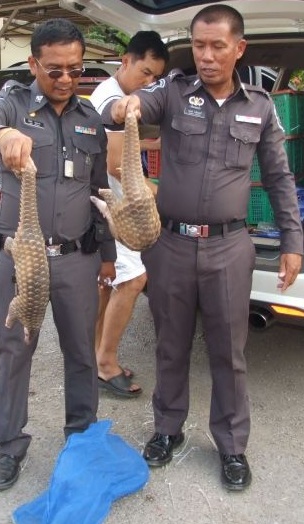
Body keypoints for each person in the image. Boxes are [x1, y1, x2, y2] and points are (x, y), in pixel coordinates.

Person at [103, 5, 304, 491]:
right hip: (170, 245)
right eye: (198, 46)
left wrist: (293, 240)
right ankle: (167, 430)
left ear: (239, 49)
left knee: (228, 351)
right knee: (170, 344)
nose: (207, 56)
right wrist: (122, 107)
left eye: (217, 46)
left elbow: (278, 177)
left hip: (230, 248)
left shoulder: (259, 106)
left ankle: (232, 447)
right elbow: (130, 105)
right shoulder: (172, 92)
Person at [0, 19, 115, 491]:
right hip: (20, 258)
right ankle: (8, 447)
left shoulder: (90, 119)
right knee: (14, 352)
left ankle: (81, 437)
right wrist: (1, 137)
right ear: (33, 65)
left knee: (82, 353)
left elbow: (99, 190)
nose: (65, 78)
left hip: (76, 258)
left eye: (74, 69)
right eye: (54, 70)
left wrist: (107, 254)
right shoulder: (12, 104)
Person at [90, 31, 168, 398]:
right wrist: (164, 194)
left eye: (156, 78)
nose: (149, 83)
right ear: (126, 61)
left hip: (107, 204)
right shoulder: (111, 99)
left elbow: (125, 146)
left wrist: (153, 143)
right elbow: (118, 165)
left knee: (107, 284)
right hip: (115, 209)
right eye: (146, 72)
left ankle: (95, 359)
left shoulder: (117, 93)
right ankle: (106, 366)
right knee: (133, 280)